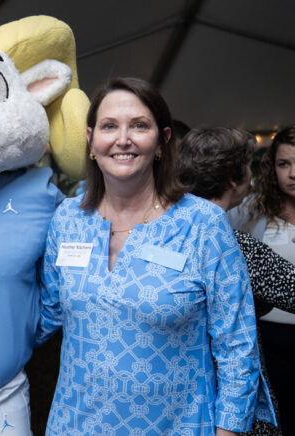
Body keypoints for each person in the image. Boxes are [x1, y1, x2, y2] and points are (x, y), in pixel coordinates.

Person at [39, 77, 273, 435]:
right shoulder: (68, 220)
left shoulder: (202, 225)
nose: (123, 139)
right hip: (77, 424)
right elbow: (45, 315)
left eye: (139, 125)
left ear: (163, 141)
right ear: (90, 141)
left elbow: (237, 344)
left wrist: (229, 429)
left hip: (177, 425)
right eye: (109, 126)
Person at [177, 127, 293, 436]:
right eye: (246, 169)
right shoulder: (233, 243)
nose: (252, 179)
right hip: (229, 403)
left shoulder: (165, 231)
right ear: (232, 179)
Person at [229, 125, 295, 435]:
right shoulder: (250, 211)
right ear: (272, 168)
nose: (293, 174)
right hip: (268, 340)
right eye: (284, 164)